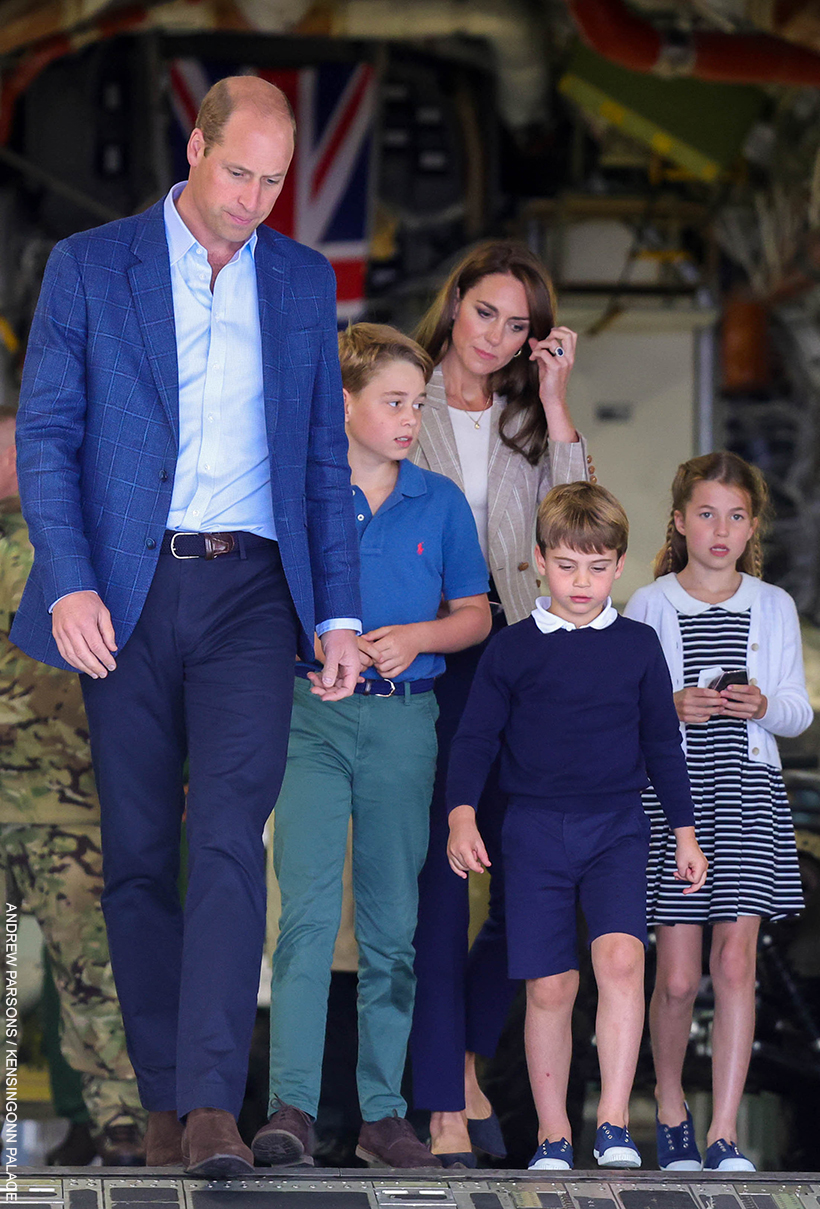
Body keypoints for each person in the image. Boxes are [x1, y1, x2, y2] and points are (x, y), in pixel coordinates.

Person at [11, 75, 361, 1177]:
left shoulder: (305, 283)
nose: (254, 200)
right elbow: (52, 435)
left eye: (274, 181)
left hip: (255, 593)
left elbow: (318, 461)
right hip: (125, 593)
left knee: (225, 837)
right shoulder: (89, 265)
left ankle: (211, 1104)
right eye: (238, 174)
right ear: (194, 147)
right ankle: (161, 1099)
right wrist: (69, 581)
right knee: (137, 855)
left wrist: (339, 612)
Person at [253, 323, 491, 1169]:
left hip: (405, 720)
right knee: (307, 916)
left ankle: (386, 1115)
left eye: (415, 404)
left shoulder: (441, 502)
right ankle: (292, 1107)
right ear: (343, 405)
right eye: (392, 401)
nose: (406, 417)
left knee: (395, 923)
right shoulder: (298, 502)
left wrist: (417, 634)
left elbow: (477, 612)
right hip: (309, 717)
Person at [446, 481, 708, 1172]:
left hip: (619, 825)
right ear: (538, 560)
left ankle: (615, 1121)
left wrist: (684, 829)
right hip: (532, 830)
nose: (582, 581)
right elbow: (475, 738)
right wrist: (462, 812)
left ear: (619, 565)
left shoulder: (639, 646)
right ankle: (554, 1133)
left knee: (622, 959)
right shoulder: (511, 650)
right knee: (550, 985)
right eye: (567, 565)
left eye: (597, 567)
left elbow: (661, 743)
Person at [408, 240, 591, 1163]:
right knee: (445, 882)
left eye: (518, 324)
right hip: (438, 656)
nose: (497, 335)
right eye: (486, 312)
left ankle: (466, 1054)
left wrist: (556, 404)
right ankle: (442, 1104)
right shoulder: (408, 396)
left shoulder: (531, 420)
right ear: (454, 306)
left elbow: (577, 526)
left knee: (528, 891)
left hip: (524, 660)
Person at [624, 452, 812, 1173]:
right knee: (676, 975)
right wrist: (671, 706)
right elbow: (630, 711)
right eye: (707, 513)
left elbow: (796, 710)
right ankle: (671, 1108)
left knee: (737, 967)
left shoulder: (772, 606)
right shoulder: (649, 604)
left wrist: (764, 703)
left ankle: (724, 1131)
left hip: (748, 794)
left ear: (752, 526)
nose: (721, 528)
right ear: (679, 521)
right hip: (676, 799)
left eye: (736, 516)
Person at [0, 409, 145, 1166]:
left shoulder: (90, 547)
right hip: (46, 794)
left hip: (70, 798)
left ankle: (120, 1121)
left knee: (91, 967)